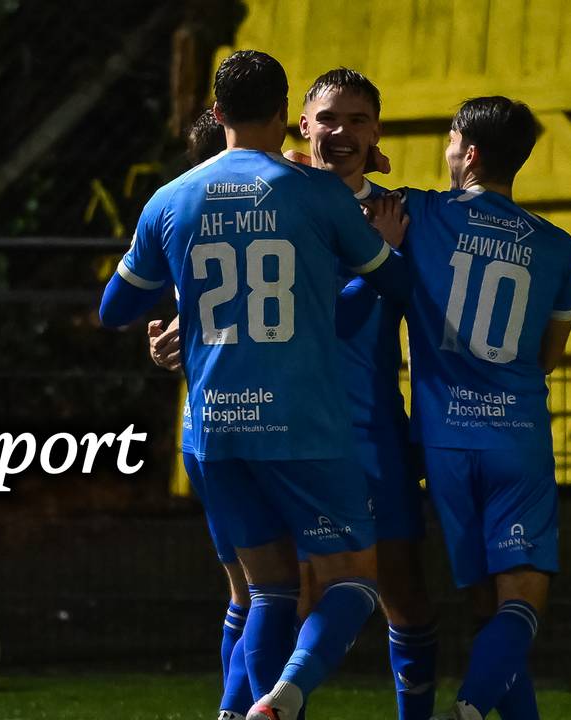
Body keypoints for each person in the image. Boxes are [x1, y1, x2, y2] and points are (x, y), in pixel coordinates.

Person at [99, 50, 409, 720]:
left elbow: (114, 308)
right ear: (286, 113)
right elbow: (390, 284)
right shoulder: (317, 194)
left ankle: (235, 714)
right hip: (302, 426)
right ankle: (282, 700)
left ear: (217, 113)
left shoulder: (171, 198)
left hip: (214, 428)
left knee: (264, 593)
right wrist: (382, 246)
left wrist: (184, 306)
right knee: (354, 582)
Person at [393, 96, 571, 720]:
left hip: (444, 442)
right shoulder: (556, 246)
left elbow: (339, 194)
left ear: (468, 153)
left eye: (449, 140)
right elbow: (548, 355)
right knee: (520, 604)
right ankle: (471, 709)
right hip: (515, 437)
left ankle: (473, 709)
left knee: (481, 605)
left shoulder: (420, 213)